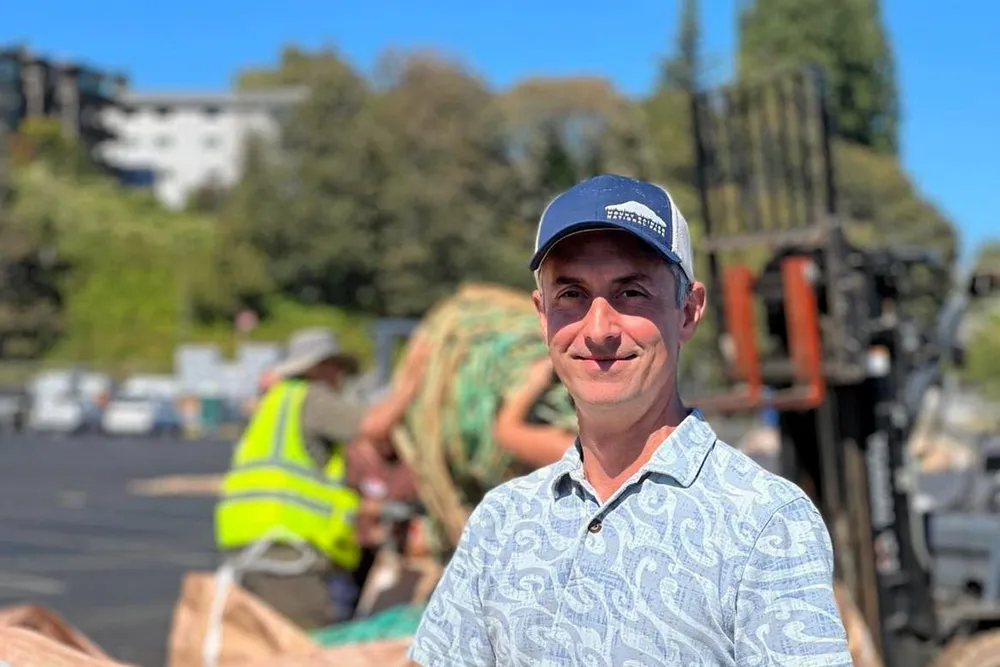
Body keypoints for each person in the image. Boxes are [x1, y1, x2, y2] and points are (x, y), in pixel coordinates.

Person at [406, 174, 852, 666]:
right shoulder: (501, 523)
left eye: (632, 293)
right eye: (571, 295)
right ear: (542, 315)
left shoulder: (764, 522)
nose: (599, 329)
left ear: (688, 311)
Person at [215, 326, 427, 628]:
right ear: (319, 367)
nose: (339, 378)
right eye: (336, 368)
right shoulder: (311, 398)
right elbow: (375, 424)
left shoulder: (275, 403)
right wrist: (414, 379)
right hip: (287, 552)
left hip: (253, 546)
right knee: (305, 643)